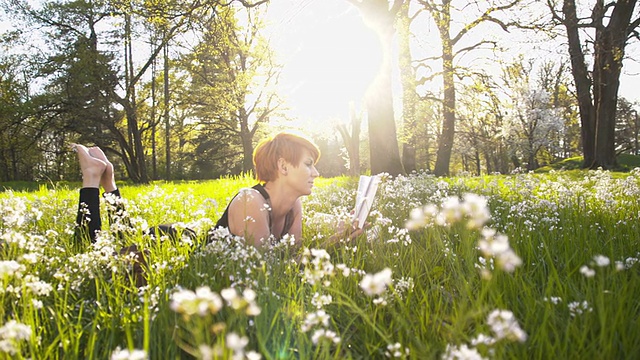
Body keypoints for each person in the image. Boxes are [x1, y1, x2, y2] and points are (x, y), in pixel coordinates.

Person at [72, 131, 364, 249]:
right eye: (309, 164)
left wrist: (335, 240)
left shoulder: (293, 207)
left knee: (121, 243)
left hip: (192, 241)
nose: (315, 172)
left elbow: (294, 262)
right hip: (172, 242)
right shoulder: (251, 201)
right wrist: (330, 244)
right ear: (284, 166)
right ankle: (92, 179)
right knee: (97, 253)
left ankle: (108, 182)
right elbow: (268, 270)